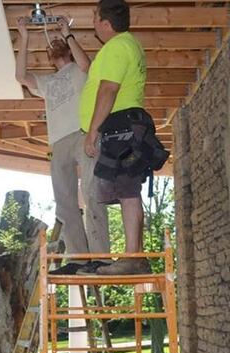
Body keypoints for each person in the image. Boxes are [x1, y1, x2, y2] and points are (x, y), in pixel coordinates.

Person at [15, 15, 110, 275]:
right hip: (58, 144)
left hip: (82, 135)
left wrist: (67, 32)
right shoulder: (47, 82)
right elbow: (21, 76)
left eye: (58, 42)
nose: (53, 43)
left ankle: (101, 257)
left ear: (67, 49)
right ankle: (79, 258)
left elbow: (87, 64)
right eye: (51, 43)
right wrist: (23, 36)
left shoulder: (79, 70)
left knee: (92, 192)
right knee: (65, 202)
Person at [80, 0, 149, 275]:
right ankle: (134, 256)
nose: (93, 22)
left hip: (121, 126)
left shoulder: (117, 47)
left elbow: (108, 90)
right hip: (124, 125)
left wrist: (93, 130)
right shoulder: (125, 45)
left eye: (95, 18)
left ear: (106, 24)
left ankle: (133, 257)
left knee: (128, 190)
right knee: (125, 190)